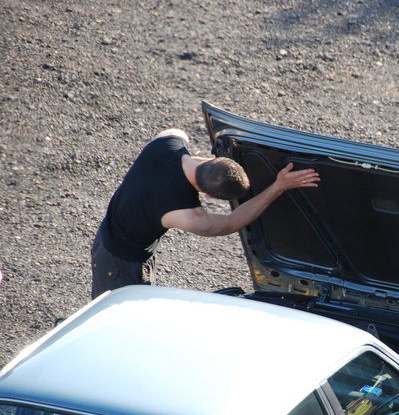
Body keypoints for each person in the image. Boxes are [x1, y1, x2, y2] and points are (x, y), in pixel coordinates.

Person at [91, 128, 319, 298]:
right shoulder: (189, 215)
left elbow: (177, 132)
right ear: (208, 197)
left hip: (107, 235)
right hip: (119, 262)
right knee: (120, 321)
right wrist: (278, 186)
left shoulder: (166, 145)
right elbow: (231, 223)